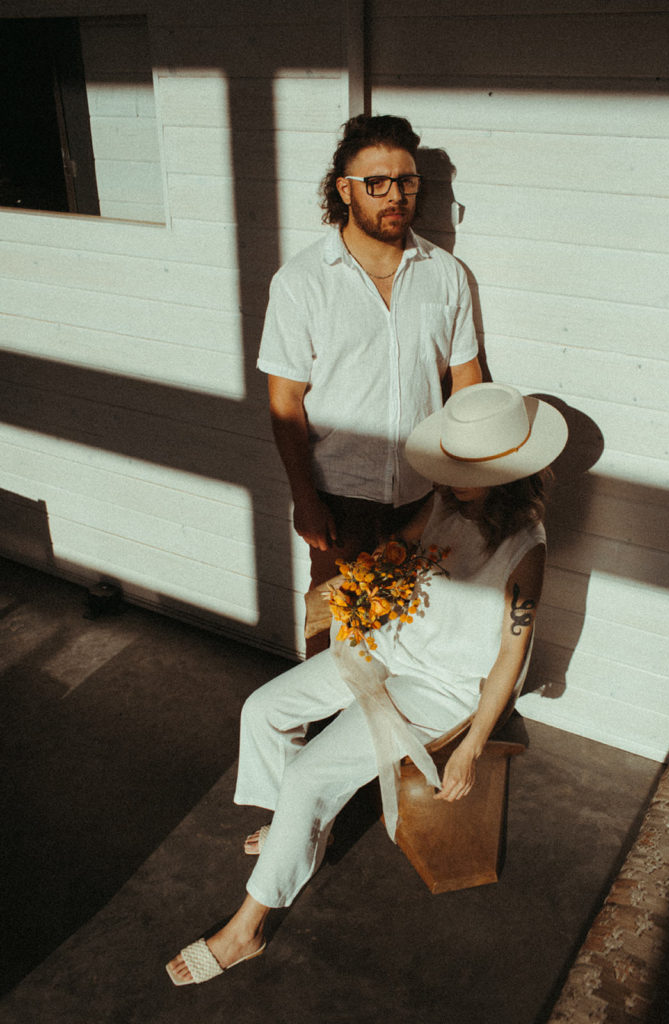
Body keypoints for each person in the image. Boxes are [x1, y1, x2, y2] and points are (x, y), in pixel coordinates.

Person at [166, 382, 568, 986]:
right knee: (263, 709)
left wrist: (472, 746)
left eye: (467, 469)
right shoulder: (446, 504)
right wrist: (348, 589)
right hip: (393, 647)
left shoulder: (525, 549)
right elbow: (396, 550)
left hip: (444, 686)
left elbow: (512, 657)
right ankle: (297, 830)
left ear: (507, 471)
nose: (452, 478)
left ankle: (247, 928)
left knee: (310, 774)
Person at [257, 114, 482, 654]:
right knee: (334, 638)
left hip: (425, 495)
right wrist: (305, 499)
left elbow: (466, 379)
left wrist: (463, 478)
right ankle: (322, 712)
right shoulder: (302, 283)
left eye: (406, 181)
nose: (395, 195)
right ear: (345, 190)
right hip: (340, 504)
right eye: (376, 183)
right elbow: (285, 403)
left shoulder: (446, 274)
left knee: (415, 634)